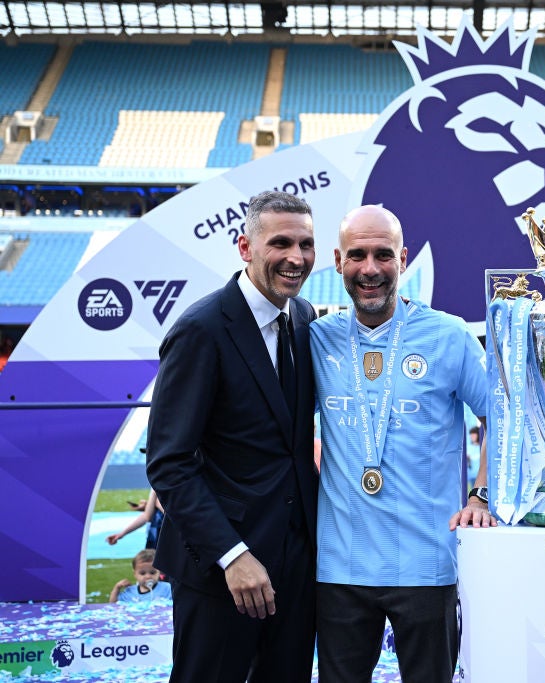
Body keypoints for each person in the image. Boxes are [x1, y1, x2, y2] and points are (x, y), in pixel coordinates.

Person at [311, 204, 493, 683]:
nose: (370, 269)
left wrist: (482, 492)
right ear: (338, 261)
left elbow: (505, 415)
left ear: (404, 259)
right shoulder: (317, 339)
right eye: (357, 255)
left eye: (382, 255)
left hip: (426, 561)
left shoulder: (449, 335)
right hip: (340, 565)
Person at [146, 190, 319, 682]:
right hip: (222, 572)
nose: (295, 257)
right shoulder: (200, 330)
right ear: (245, 247)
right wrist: (232, 555)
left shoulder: (304, 318)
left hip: (294, 568)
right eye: (280, 243)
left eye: (305, 244)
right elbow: (169, 462)